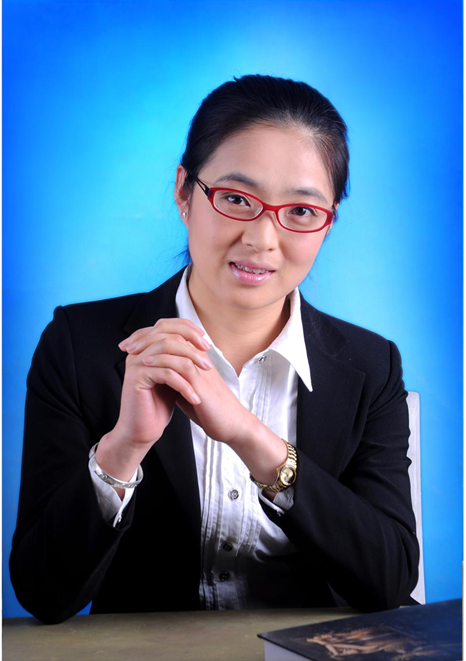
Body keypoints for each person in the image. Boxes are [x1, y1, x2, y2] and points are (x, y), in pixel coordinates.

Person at [10, 74, 419, 625]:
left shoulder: (372, 367)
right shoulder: (79, 345)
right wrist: (123, 449)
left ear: (328, 225)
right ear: (185, 192)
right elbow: (42, 592)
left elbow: (390, 582)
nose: (262, 239)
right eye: (235, 199)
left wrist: (252, 439)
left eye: (301, 211)